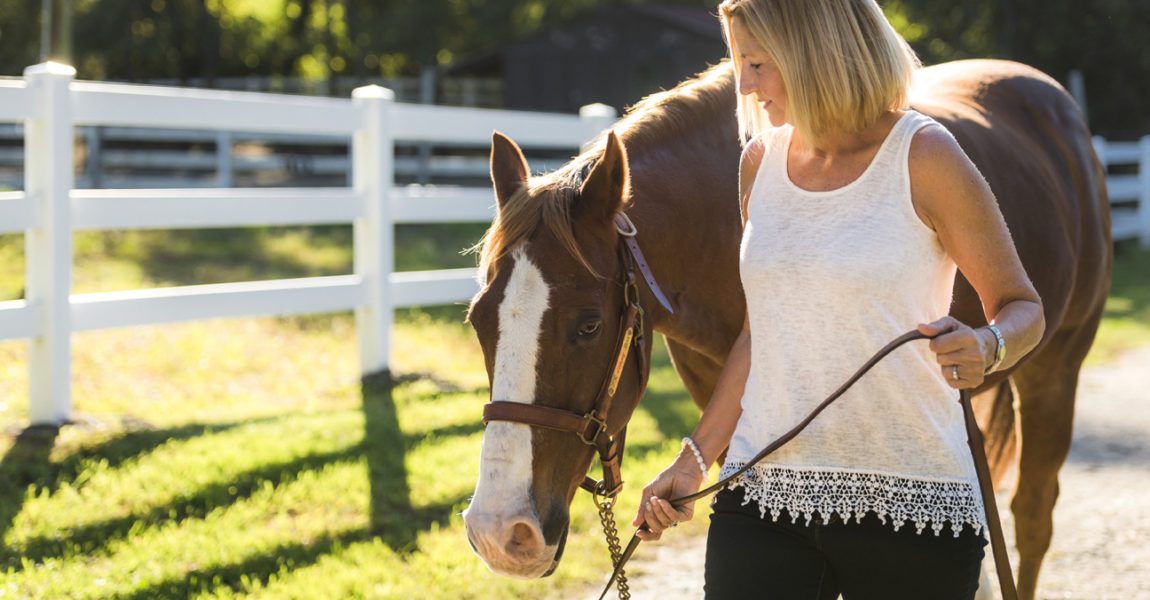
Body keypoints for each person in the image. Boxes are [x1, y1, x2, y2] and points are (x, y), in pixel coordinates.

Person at [631, 0, 1046, 598]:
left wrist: (990, 342)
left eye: (756, 63)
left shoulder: (925, 156)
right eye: (738, 63)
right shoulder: (758, 165)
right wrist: (694, 460)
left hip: (912, 500)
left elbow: (1022, 305)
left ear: (813, 54)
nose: (742, 84)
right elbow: (761, 333)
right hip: (765, 494)